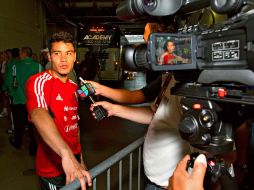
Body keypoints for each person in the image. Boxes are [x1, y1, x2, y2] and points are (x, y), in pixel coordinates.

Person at [87, 72, 191, 189]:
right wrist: (114, 109)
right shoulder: (169, 76)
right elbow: (154, 113)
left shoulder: (191, 88)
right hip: (154, 179)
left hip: (170, 184)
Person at [26, 31, 92, 190]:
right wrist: (66, 154)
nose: (64, 59)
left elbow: (74, 126)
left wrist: (79, 159)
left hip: (73, 160)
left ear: (75, 56)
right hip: (52, 168)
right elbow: (38, 114)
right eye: (57, 53)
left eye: (68, 53)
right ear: (49, 56)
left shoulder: (73, 87)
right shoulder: (39, 82)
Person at [8, 46, 44, 150]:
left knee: (18, 124)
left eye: (20, 53)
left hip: (19, 100)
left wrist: (12, 95)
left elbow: (12, 82)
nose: (19, 55)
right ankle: (33, 148)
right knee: (33, 125)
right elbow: (42, 84)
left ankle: (17, 143)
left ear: (24, 53)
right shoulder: (38, 66)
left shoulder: (15, 66)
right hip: (33, 102)